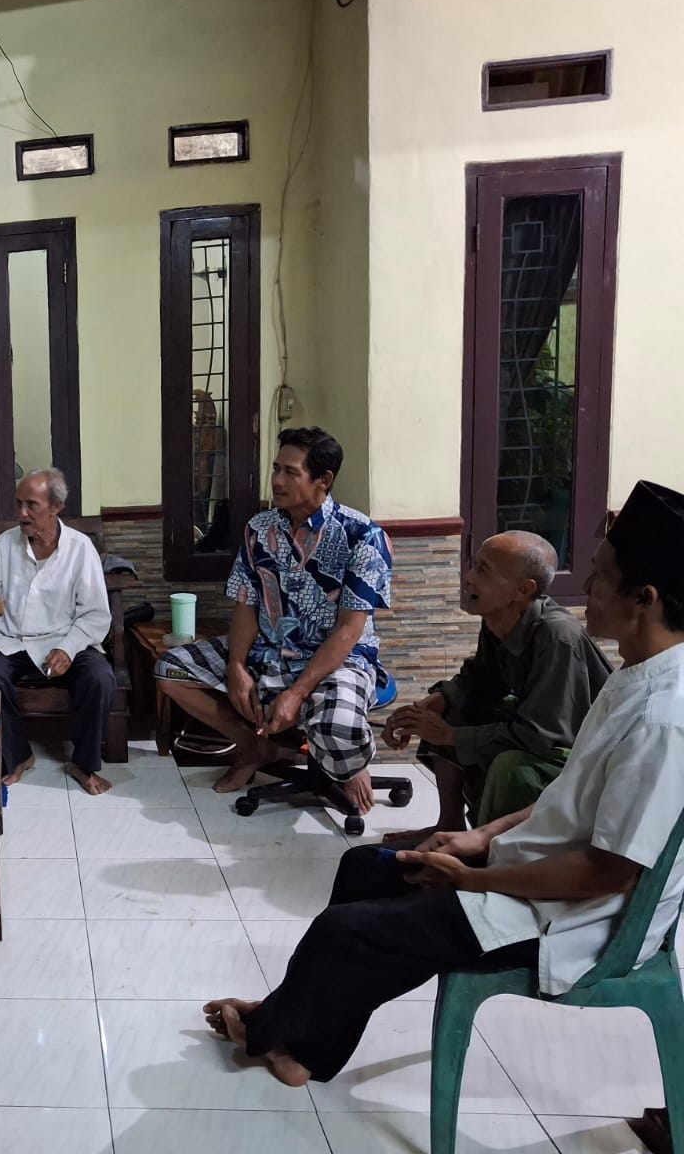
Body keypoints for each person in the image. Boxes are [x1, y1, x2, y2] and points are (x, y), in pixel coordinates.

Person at [202, 480, 684, 1089]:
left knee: (346, 933)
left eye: (601, 575)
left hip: (572, 920)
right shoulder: (633, 679)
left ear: (645, 598)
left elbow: (609, 873)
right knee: (363, 869)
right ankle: (300, 1042)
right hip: (535, 873)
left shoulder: (664, 717)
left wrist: (475, 878)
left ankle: (269, 1029)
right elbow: (569, 796)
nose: (585, 586)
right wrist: (477, 838)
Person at [155, 428, 394, 812]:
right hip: (270, 649)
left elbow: (349, 630)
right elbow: (247, 605)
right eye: (275, 469)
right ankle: (254, 747)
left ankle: (351, 766)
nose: (277, 481)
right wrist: (236, 666)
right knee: (171, 669)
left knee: (338, 727)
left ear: (323, 479)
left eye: (290, 472)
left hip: (339, 659)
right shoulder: (259, 529)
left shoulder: (362, 536)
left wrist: (296, 693)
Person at [383, 530, 612, 840]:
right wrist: (425, 708)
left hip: (579, 755)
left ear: (523, 589)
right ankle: (448, 824)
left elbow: (541, 736)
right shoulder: (498, 619)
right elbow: (479, 683)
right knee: (451, 709)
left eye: (483, 571)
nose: (468, 578)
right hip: (541, 733)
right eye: (474, 565)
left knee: (511, 765)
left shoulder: (557, 637)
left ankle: (486, 850)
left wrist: (449, 736)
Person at [0, 468, 115, 794]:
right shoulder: (6, 544)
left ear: (56, 507)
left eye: (31, 505)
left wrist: (68, 648)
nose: (22, 513)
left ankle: (83, 764)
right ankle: (18, 756)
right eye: (18, 503)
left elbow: (95, 615)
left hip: (65, 639)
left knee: (100, 677)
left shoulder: (80, 549)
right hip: (13, 639)